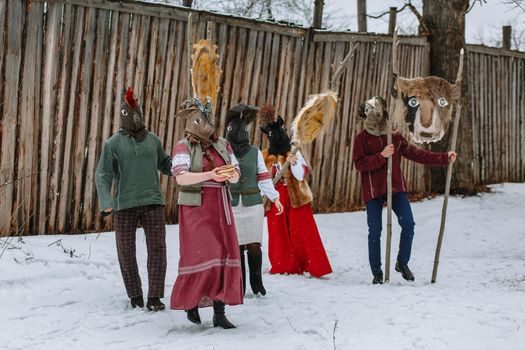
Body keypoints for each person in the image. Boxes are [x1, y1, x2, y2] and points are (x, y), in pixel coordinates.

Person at [353, 96, 457, 284]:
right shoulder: (362, 139)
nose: (375, 117)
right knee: (375, 230)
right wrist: (381, 156)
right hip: (373, 190)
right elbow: (359, 164)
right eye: (370, 114)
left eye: (378, 113)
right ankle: (377, 272)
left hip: (396, 188)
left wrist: (444, 157)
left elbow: (418, 154)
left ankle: (402, 263)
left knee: (408, 224)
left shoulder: (394, 137)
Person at [95, 87, 172, 311]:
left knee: (157, 248)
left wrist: (181, 165)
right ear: (123, 117)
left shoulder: (153, 140)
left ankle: (155, 296)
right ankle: (135, 295)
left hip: (153, 202)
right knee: (126, 250)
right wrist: (106, 201)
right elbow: (103, 174)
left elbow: (165, 163)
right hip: (124, 204)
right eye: (129, 114)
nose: (134, 118)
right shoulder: (113, 144)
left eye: (137, 112)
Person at [170, 97, 243, 329]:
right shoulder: (183, 145)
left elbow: (237, 174)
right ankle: (191, 303)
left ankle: (219, 312)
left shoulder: (223, 144)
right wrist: (211, 175)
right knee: (201, 254)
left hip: (220, 208)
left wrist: (229, 174)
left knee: (222, 254)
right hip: (195, 209)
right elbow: (180, 177)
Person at [259, 104, 332, 278]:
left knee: (303, 232)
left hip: (296, 196)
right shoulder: (264, 156)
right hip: (276, 198)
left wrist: (293, 163)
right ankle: (283, 264)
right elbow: (261, 179)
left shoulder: (294, 152)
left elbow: (301, 175)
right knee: (278, 233)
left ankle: (311, 263)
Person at [224, 103, 284, 296]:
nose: (241, 133)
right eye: (237, 130)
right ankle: (239, 285)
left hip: (252, 205)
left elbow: (264, 177)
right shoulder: (225, 152)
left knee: (254, 245)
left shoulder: (254, 152)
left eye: (243, 130)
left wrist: (275, 198)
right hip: (232, 205)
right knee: (237, 246)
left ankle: (257, 283)